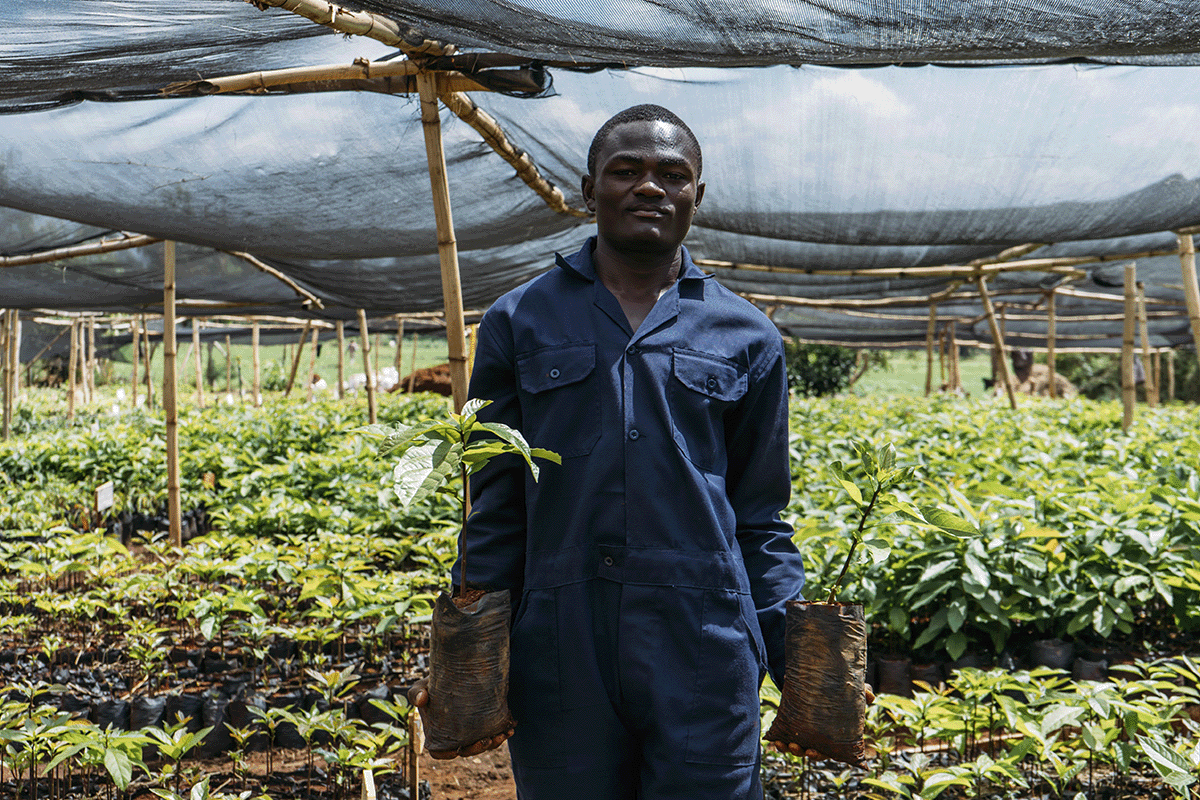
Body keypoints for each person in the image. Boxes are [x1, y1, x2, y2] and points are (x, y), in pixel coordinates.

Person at [411, 104, 807, 799]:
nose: (649, 187)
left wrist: (799, 662)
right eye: (626, 171)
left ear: (697, 196)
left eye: (671, 174)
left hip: (704, 643)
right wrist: (464, 651)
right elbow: (497, 503)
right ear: (591, 191)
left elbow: (762, 517)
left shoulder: (749, 337)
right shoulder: (519, 319)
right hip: (560, 644)